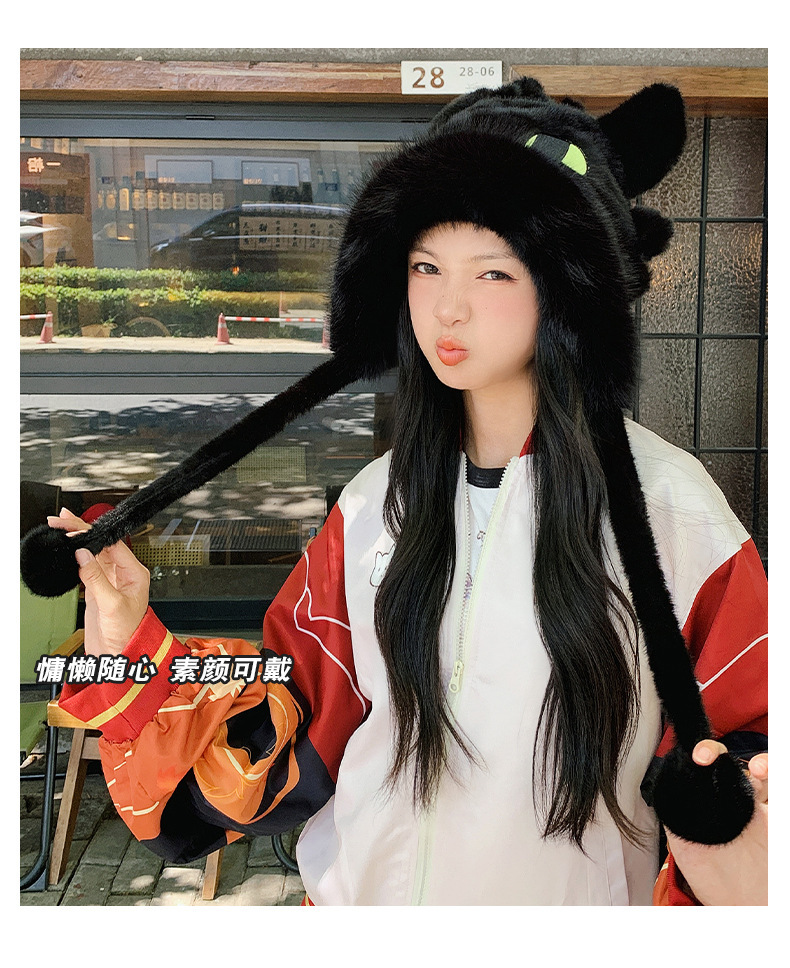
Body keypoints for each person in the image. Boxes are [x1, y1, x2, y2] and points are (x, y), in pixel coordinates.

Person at [42, 78, 766, 905]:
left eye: (493, 273)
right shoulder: (372, 504)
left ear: (572, 286)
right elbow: (288, 725)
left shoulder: (674, 515)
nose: (448, 308)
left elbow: (743, 749)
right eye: (426, 266)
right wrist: (132, 640)